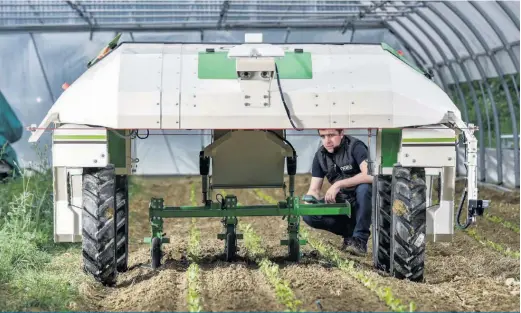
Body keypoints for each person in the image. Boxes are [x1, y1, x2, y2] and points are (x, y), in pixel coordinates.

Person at [303, 129, 373, 256]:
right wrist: (307, 205)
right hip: (342, 200)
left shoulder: (355, 146)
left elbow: (369, 175)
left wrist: (338, 184)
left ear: (342, 134)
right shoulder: (320, 156)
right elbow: (314, 190)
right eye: (323, 136)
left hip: (363, 201)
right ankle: (350, 234)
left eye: (331, 135)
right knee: (309, 215)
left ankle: (359, 240)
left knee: (365, 188)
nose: (327, 140)